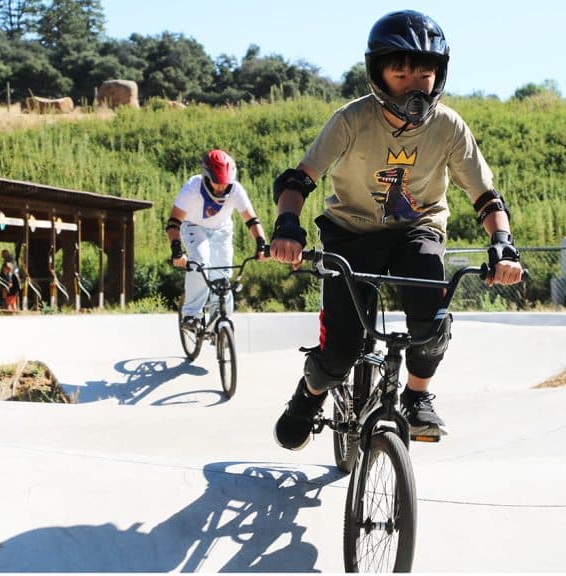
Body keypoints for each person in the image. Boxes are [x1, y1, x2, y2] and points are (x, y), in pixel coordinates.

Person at [269, 10, 523, 451]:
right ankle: (307, 398)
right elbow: (299, 181)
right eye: (400, 72)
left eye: (424, 73)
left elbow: (486, 198)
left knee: (431, 320)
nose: (414, 84)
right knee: (341, 351)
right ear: (379, 74)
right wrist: (287, 227)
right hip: (349, 233)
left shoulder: (448, 126)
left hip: (416, 230)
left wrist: (503, 246)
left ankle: (417, 396)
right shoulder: (352, 120)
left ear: (438, 75)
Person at [166, 150, 267, 329]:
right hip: (193, 226)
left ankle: (221, 322)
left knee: (222, 275)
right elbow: (174, 222)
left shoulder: (235, 189)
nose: (221, 187)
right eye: (216, 182)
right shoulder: (193, 187)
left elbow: (251, 220)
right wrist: (177, 251)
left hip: (221, 229)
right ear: (206, 176)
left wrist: (261, 244)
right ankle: (191, 314)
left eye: (225, 183)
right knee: (200, 261)